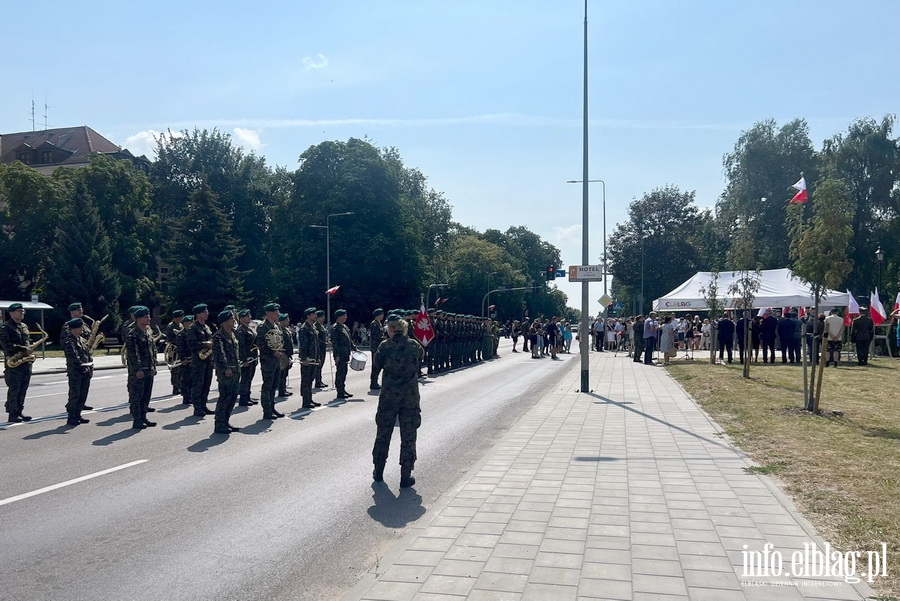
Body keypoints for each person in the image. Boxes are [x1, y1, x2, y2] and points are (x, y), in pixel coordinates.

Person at [372, 314, 425, 488]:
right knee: (408, 437)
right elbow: (419, 362)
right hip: (409, 397)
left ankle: (378, 471)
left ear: (391, 329)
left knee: (383, 434)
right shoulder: (414, 346)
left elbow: (376, 366)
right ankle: (405, 475)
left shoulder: (384, 346)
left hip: (388, 397)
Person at [1, 303, 35, 422]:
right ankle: (12, 414)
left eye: (23, 311)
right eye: (19, 311)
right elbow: (6, 345)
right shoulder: (5, 327)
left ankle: (19, 411)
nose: (22, 313)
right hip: (14, 364)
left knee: (23, 389)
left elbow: (27, 341)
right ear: (11, 313)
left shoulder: (24, 326)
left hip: (25, 362)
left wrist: (30, 352)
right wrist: (23, 349)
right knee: (14, 389)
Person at [126, 306, 157, 430]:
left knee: (146, 394)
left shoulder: (148, 332)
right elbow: (133, 354)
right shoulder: (132, 334)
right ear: (138, 319)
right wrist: (138, 369)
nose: (149, 318)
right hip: (139, 370)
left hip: (148, 368)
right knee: (137, 396)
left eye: (148, 316)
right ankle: (137, 420)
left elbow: (152, 351)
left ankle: (144, 417)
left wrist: (153, 365)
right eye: (146, 317)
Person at [212, 310, 241, 434]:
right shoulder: (218, 336)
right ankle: (219, 423)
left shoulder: (232, 334)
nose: (234, 320)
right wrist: (225, 368)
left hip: (235, 370)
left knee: (233, 397)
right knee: (225, 397)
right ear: (224, 322)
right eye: (231, 319)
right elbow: (219, 354)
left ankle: (226, 421)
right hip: (226, 372)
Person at [257, 303, 286, 420]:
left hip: (276, 359)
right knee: (267, 386)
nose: (277, 313)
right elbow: (261, 344)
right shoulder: (262, 327)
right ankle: (267, 410)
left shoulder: (276, 326)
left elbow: (279, 340)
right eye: (275, 311)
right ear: (269, 313)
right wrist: (272, 352)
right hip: (268, 360)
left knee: (274, 385)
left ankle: (272, 407)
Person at [62, 317, 93, 426]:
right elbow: (73, 356)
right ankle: (72, 417)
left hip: (85, 370)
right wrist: (82, 366)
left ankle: (78, 414)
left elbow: (88, 354)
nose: (82, 329)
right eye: (80, 327)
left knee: (83, 394)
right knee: (75, 395)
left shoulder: (82, 340)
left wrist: (90, 366)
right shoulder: (69, 341)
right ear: (73, 328)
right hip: (76, 372)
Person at [186, 303, 215, 417]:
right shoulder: (193, 328)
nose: (207, 314)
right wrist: (205, 344)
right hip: (198, 361)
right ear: (198, 314)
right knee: (198, 384)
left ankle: (204, 405)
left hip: (208, 360)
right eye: (204, 312)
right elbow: (191, 344)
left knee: (206, 384)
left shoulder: (206, 327)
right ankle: (197, 407)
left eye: (207, 312)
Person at [297, 307, 322, 410]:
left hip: (314, 359)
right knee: (306, 380)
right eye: (313, 314)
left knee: (311, 379)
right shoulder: (304, 329)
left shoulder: (313, 328)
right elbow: (303, 346)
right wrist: (303, 359)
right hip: (307, 359)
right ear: (308, 316)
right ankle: (305, 400)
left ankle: (309, 398)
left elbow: (316, 345)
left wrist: (318, 357)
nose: (315, 316)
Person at [331, 309, 357, 399]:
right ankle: (340, 391)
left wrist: (355, 348)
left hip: (346, 354)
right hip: (340, 354)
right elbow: (335, 343)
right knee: (340, 373)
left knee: (344, 372)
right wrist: (336, 355)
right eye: (344, 315)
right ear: (339, 317)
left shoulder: (344, 327)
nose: (346, 317)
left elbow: (349, 340)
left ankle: (343, 389)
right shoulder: (335, 328)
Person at [236, 309, 258, 406]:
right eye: (247, 316)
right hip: (246, 359)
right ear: (241, 319)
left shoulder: (249, 329)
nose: (250, 317)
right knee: (245, 379)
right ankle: (243, 399)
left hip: (252, 358)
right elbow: (241, 347)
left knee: (249, 378)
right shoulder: (241, 331)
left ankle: (248, 396)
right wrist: (244, 360)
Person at [164, 310, 185, 396]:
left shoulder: (180, 325)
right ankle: (175, 387)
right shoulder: (171, 326)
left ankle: (179, 386)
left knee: (180, 369)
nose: (181, 319)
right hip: (173, 350)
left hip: (180, 349)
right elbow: (170, 339)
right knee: (175, 370)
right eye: (180, 317)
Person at [278, 313, 294, 398]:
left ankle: (283, 389)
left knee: (285, 373)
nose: (288, 321)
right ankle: (281, 390)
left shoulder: (286, 330)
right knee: (282, 373)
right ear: (282, 321)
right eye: (286, 319)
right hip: (283, 354)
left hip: (287, 354)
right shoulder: (280, 330)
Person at [369, 308, 386, 389]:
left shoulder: (379, 324)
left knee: (378, 365)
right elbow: (376, 336)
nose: (383, 315)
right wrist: (385, 338)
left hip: (379, 347)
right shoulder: (375, 324)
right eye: (382, 314)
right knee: (375, 365)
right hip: (375, 347)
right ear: (378, 315)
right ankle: (373, 382)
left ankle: (375, 381)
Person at [314, 310, 329, 387]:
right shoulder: (315, 326)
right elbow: (317, 339)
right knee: (318, 365)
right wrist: (325, 343)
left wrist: (327, 341)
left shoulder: (322, 326)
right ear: (318, 318)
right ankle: (317, 381)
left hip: (323, 348)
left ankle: (319, 380)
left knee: (321, 364)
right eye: (322, 317)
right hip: (318, 348)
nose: (323, 318)